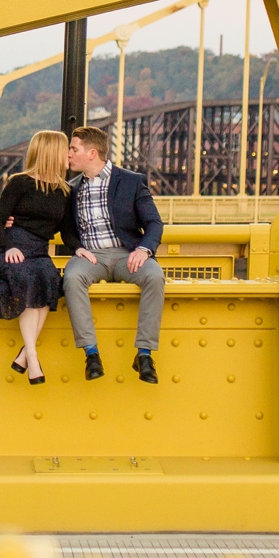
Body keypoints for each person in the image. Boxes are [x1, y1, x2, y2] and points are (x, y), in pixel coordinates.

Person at [60, 124, 166, 384]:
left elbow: (154, 223)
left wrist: (144, 248)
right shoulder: (71, 188)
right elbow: (65, 228)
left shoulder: (131, 181)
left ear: (92, 153)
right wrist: (77, 247)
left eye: (74, 149)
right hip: (91, 257)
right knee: (72, 279)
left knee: (154, 276)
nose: (69, 154)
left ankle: (144, 354)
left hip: (126, 254)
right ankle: (91, 353)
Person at [0, 129, 71, 385]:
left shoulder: (63, 191)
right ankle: (32, 355)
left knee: (50, 277)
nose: (68, 155)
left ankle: (25, 353)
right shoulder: (19, 183)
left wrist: (82, 250)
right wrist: (9, 246)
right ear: (52, 152)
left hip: (38, 251)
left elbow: (66, 232)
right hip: (9, 250)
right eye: (65, 149)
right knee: (30, 276)